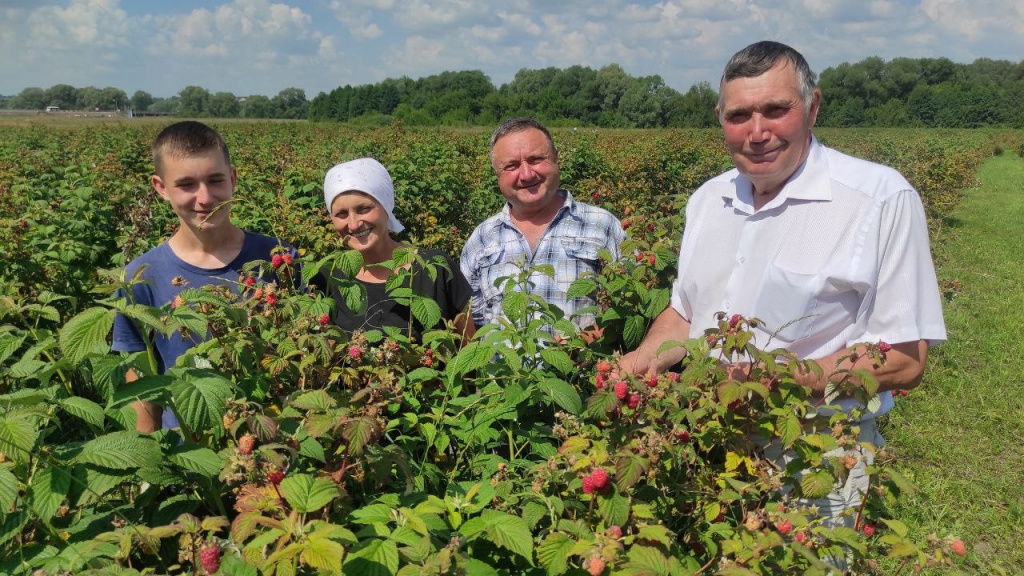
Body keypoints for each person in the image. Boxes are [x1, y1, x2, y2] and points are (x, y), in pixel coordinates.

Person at [618, 41, 946, 526]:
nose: (757, 132)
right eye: (739, 115)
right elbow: (686, 312)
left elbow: (903, 357)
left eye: (776, 110)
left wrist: (765, 382)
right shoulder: (708, 199)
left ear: (813, 107)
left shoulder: (878, 199)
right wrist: (640, 361)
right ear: (719, 118)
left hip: (813, 450)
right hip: (700, 439)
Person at [111, 121, 296, 433]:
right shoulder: (140, 279)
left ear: (233, 178)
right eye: (186, 185)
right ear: (161, 188)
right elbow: (142, 391)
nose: (205, 198)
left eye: (215, 180)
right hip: (190, 453)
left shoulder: (280, 259)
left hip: (272, 445)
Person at [460, 117, 625, 336]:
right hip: (507, 371)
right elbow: (473, 326)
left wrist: (592, 339)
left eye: (536, 159)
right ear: (497, 174)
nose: (527, 174)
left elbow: (628, 306)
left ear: (556, 158)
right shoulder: (482, 238)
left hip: (583, 368)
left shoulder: (602, 225)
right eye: (512, 166)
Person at [317, 158, 474, 344]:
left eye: (364, 209)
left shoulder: (436, 268)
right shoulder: (326, 279)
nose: (353, 223)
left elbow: (470, 350)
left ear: (386, 207)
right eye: (341, 213)